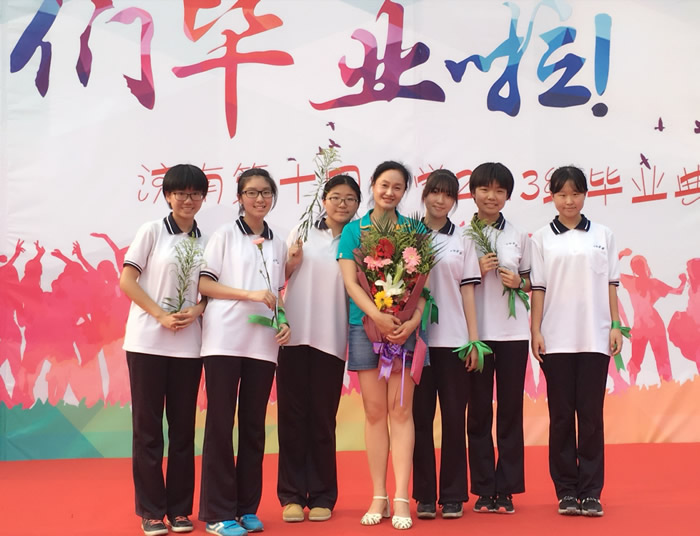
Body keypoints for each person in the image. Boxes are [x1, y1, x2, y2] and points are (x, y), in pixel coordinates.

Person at [198, 168, 291, 536]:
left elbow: (277, 294)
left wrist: (283, 321)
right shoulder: (224, 235)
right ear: (239, 197)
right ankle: (218, 513)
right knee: (221, 424)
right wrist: (248, 294)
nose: (260, 199)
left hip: (263, 345)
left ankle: (246, 508)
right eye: (252, 192)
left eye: (266, 192)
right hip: (224, 340)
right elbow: (205, 284)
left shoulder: (278, 242)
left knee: (254, 427)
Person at [337, 160, 428, 530]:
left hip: (403, 329)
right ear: (372, 185)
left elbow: (424, 288)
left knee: (401, 411)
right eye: (384, 185)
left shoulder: (415, 230)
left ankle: (402, 495)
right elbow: (351, 283)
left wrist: (412, 322)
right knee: (375, 412)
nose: (390, 192)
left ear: (404, 192)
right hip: (365, 327)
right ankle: (379, 494)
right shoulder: (354, 231)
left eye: (398, 187)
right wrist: (376, 315)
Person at [120, 164, 209, 536]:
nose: (188, 200)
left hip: (188, 347)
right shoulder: (152, 231)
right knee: (148, 430)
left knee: (183, 431)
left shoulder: (207, 241)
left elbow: (209, 291)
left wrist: (198, 309)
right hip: (147, 343)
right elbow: (127, 280)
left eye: (195, 194)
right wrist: (160, 315)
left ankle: (180, 510)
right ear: (168, 196)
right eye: (181, 193)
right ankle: (152, 511)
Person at [530, 165, 622, 518]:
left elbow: (611, 284)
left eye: (575, 194)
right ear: (552, 197)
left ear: (585, 194)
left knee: (591, 417)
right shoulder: (542, 238)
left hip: (595, 337)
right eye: (562, 194)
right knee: (561, 417)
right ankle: (567, 491)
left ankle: (592, 492)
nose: (569, 201)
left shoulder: (603, 235)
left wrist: (615, 325)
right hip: (556, 339)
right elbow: (538, 288)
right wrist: (536, 331)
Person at [277, 174, 362, 523]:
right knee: (291, 418)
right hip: (293, 336)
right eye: (336, 197)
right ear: (323, 200)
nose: (342, 204)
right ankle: (291, 496)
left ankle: (323, 495)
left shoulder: (360, 239)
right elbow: (277, 276)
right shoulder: (302, 230)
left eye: (350, 199)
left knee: (323, 419)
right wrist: (291, 262)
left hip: (332, 337)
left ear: (358, 205)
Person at [412, 169, 481, 520]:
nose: (440, 200)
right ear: (424, 195)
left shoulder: (464, 239)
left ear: (455, 201)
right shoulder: (408, 235)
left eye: (448, 195)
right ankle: (424, 494)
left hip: (454, 342)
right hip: (416, 343)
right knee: (419, 420)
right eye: (435, 192)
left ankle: (453, 494)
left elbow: (468, 291)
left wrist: (473, 339)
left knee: (455, 418)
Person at [466, 162, 531, 514]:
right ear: (473, 193)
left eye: (499, 191)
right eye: (485, 189)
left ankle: (506, 489)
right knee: (477, 412)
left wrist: (518, 282)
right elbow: (449, 284)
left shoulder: (518, 235)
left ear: (507, 196)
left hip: (513, 335)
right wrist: (474, 271)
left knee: (509, 411)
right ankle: (482, 488)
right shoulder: (461, 236)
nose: (491, 196)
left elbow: (532, 282)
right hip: (476, 335)